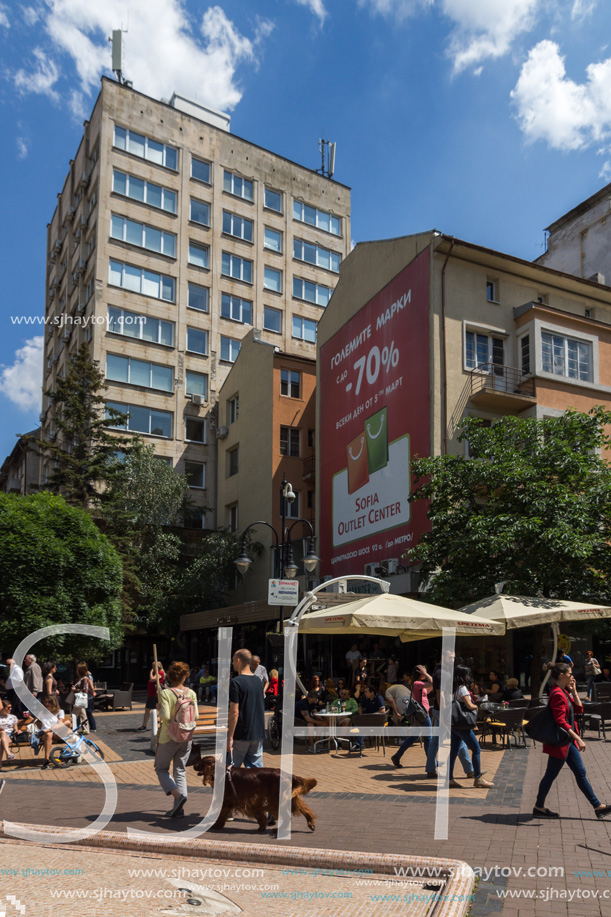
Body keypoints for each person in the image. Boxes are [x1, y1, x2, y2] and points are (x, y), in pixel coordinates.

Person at [533, 662, 611, 819]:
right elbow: (560, 721)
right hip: (561, 743)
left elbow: (579, 709)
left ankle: (597, 806)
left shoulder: (563, 692)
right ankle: (539, 807)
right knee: (551, 775)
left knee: (580, 773)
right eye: (570, 674)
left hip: (567, 742)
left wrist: (574, 692)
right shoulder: (557, 694)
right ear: (562, 676)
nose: (572, 676)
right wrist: (578, 738)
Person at [155, 661, 198, 818]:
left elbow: (166, 717)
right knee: (180, 770)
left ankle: (178, 796)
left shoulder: (166, 693)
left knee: (161, 769)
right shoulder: (191, 693)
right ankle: (179, 807)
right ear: (184, 677)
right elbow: (197, 716)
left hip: (169, 737)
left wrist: (160, 709)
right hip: (187, 737)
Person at [448, 666, 494, 789]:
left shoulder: (450, 688)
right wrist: (475, 707)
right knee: (476, 749)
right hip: (463, 725)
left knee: (453, 751)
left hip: (454, 723)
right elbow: (469, 705)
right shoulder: (462, 688)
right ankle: (478, 778)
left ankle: (449, 779)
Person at [227, 649, 266, 768]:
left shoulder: (235, 682)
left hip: (241, 732)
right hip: (258, 731)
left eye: (233, 660)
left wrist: (230, 736)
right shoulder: (259, 681)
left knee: (231, 770)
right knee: (256, 772)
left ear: (238, 660)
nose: (232, 663)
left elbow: (234, 712)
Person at [391, 665, 434, 769]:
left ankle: (397, 756)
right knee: (428, 738)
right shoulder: (416, 683)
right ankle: (431, 763)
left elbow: (430, 688)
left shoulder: (419, 684)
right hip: (422, 715)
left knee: (414, 737)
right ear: (420, 673)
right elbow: (434, 682)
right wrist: (427, 674)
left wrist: (426, 675)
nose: (425, 672)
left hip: (421, 714)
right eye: (423, 671)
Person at [138, 662, 165, 730]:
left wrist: (151, 672)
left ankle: (162, 724)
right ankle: (144, 725)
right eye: (152, 666)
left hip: (155, 695)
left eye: (154, 666)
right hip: (151, 695)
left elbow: (152, 679)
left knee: (158, 709)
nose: (152, 668)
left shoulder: (160, 673)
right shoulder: (156, 673)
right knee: (148, 709)